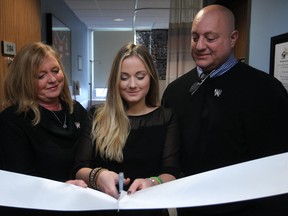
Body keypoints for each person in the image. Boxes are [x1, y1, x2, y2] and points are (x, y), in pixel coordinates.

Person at [162, 4, 288, 216]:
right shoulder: (175, 92)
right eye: (195, 37)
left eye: (210, 38)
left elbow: (279, 167)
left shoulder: (265, 90)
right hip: (190, 208)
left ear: (233, 38)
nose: (200, 45)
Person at [75, 42, 180, 216]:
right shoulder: (97, 115)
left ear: (151, 77)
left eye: (140, 76)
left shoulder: (166, 118)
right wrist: (97, 175)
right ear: (115, 79)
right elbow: (79, 168)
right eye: (124, 77)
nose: (132, 84)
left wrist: (152, 182)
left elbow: (172, 172)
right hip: (103, 209)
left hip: (149, 211)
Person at [0, 42, 91, 214]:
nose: (52, 79)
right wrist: (60, 189)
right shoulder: (12, 120)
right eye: (41, 76)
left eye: (55, 71)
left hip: (81, 204)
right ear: (25, 81)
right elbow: (19, 181)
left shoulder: (76, 110)